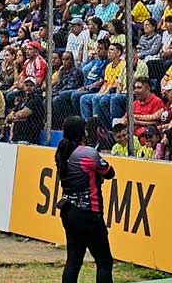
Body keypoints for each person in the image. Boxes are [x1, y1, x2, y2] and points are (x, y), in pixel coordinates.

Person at [55, 115, 115, 283]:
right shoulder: (87, 153)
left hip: (69, 210)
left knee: (73, 261)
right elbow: (109, 172)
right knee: (104, 261)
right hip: (89, 213)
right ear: (82, 132)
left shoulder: (62, 151)